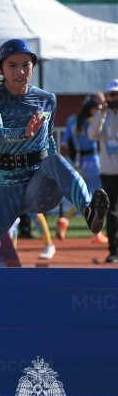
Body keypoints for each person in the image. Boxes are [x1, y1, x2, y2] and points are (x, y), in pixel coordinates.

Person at [0, 39, 109, 267]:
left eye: (26, 65)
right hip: (3, 190)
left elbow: (48, 141)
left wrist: (63, 176)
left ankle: (89, 212)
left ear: (33, 66)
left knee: (55, 160)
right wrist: (24, 132)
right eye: (13, 65)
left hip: (37, 187)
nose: (20, 71)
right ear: (1, 69)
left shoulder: (47, 100)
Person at [56, 94, 106, 243]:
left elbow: (65, 143)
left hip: (79, 162)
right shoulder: (92, 122)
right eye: (95, 108)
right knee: (97, 198)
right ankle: (94, 232)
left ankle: (67, 220)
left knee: (86, 196)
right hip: (94, 161)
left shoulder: (73, 121)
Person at [87, 78, 118, 263]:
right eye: (111, 94)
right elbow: (92, 134)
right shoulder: (103, 115)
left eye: (117, 94)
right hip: (107, 172)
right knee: (112, 214)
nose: (115, 97)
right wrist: (102, 111)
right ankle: (114, 250)